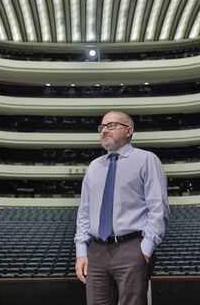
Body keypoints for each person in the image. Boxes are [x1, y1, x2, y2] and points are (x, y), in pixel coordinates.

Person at [74, 110, 169, 305]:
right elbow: (84, 211)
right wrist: (81, 252)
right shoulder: (94, 166)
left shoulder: (147, 160)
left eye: (111, 125)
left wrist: (145, 249)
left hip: (132, 247)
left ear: (129, 131)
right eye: (102, 127)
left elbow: (158, 209)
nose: (104, 131)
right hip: (97, 250)